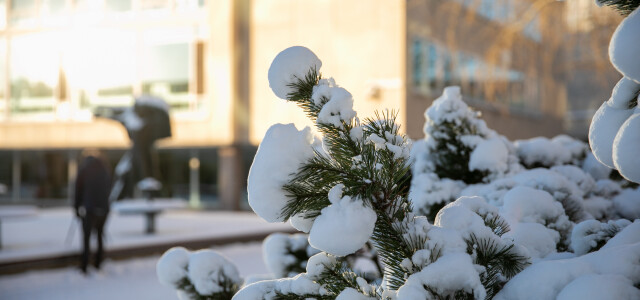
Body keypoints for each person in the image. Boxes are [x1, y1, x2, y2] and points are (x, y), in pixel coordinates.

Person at [74, 149, 112, 274]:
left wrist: (76, 207)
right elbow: (109, 188)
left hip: (90, 209)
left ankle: (85, 265)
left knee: (86, 237)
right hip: (104, 209)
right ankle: (98, 263)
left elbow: (78, 190)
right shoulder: (104, 169)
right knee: (100, 235)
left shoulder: (84, 169)